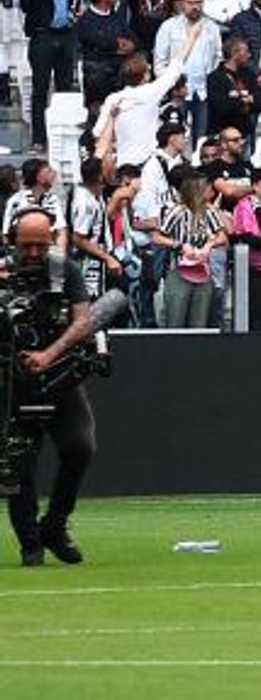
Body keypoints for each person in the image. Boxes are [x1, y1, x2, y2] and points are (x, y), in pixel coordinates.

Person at [4, 201, 122, 567]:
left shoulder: (65, 270)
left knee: (80, 446)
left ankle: (54, 524)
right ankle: (30, 543)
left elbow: (83, 319)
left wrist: (49, 354)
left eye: (41, 244)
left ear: (52, 239)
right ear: (12, 241)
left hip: (58, 375)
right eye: (26, 246)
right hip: (10, 378)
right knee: (18, 460)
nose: (34, 253)